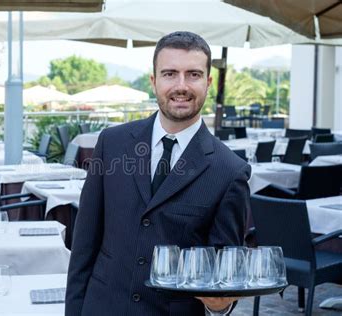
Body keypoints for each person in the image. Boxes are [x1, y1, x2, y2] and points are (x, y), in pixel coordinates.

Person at [65, 31, 251, 316]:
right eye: (169, 74)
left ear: (208, 82)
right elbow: (83, 246)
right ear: (153, 81)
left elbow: (223, 276)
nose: (181, 85)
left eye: (193, 74)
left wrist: (221, 306)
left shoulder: (230, 171)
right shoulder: (111, 143)